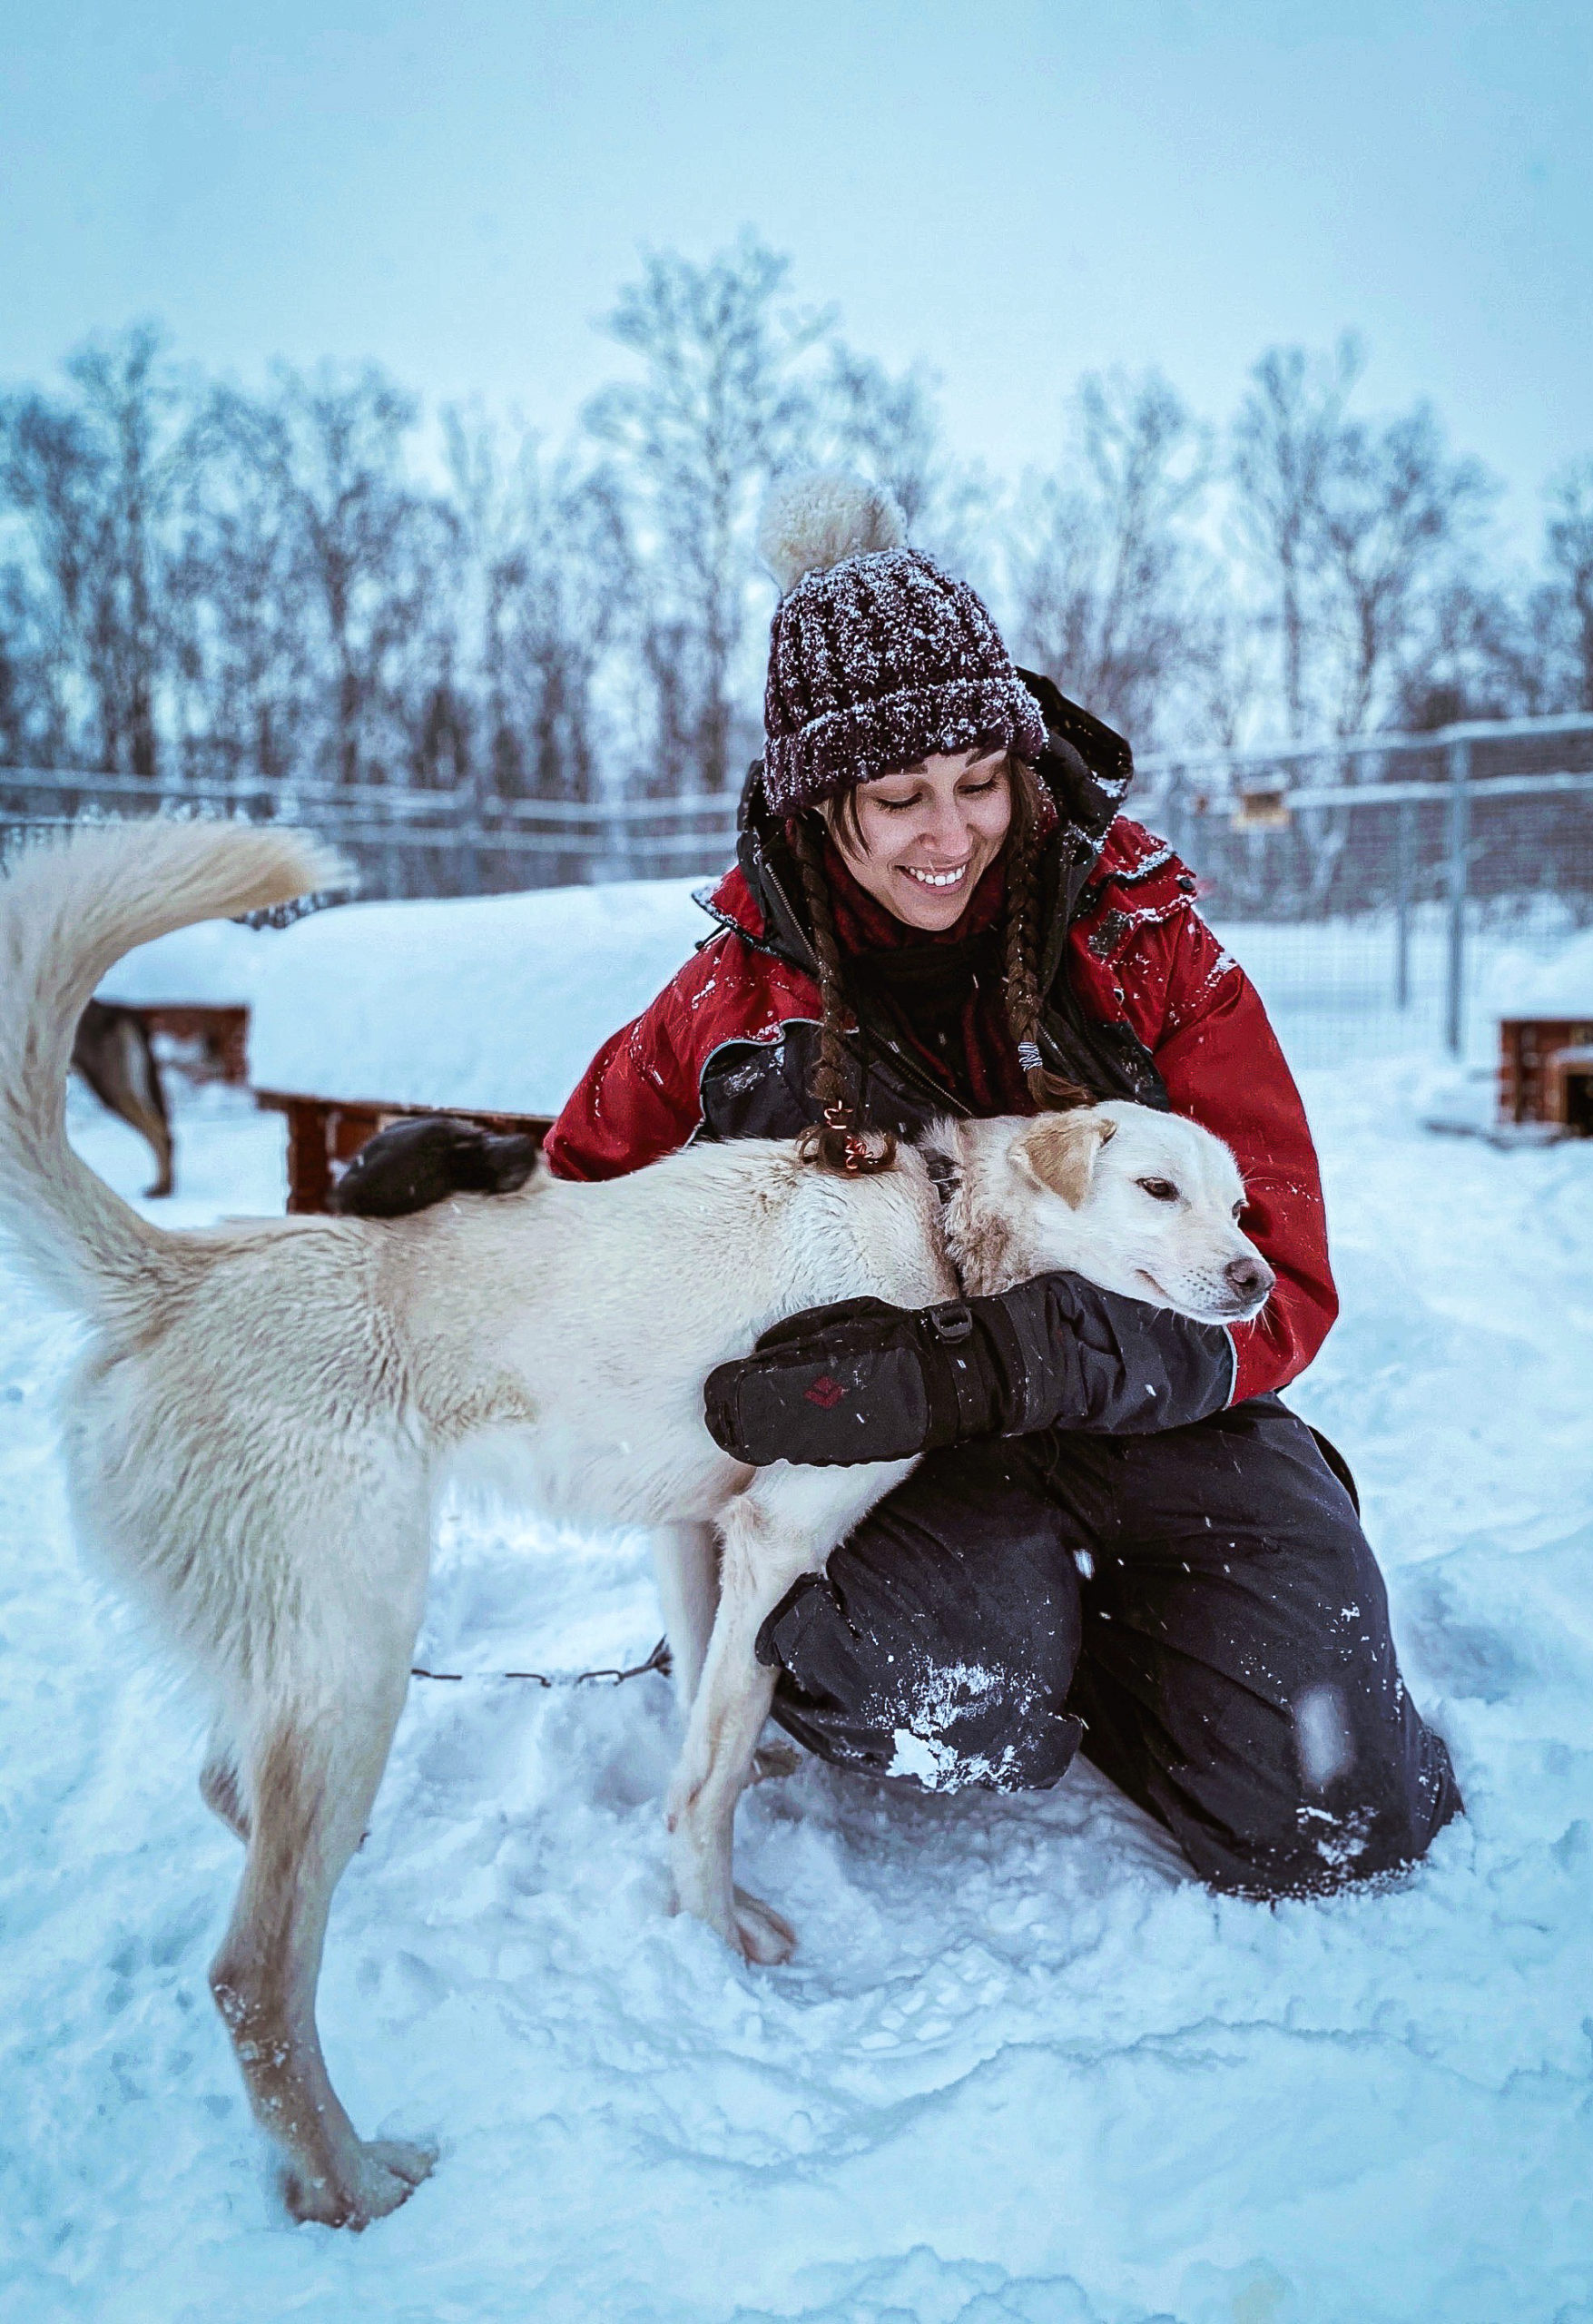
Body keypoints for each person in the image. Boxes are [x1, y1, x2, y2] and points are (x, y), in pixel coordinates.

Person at [344, 473, 1460, 1899]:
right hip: (893, 1473)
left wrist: (1006, 1357)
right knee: (958, 1693)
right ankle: (1026, 1657)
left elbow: (1283, 1283)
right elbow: (580, 1202)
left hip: (1157, 1407)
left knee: (1340, 1813)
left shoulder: (1147, 943)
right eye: (900, 796)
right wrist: (467, 1185)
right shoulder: (734, 999)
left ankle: (1147, 1652)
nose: (951, 833)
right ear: (823, 806)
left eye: (981, 782)